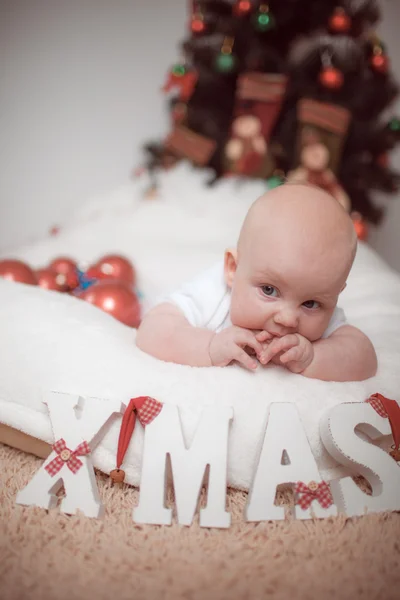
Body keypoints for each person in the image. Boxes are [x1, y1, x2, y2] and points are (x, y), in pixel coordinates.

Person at [136, 184, 377, 382]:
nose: (288, 319)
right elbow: (152, 330)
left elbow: (364, 356)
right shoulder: (216, 291)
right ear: (233, 269)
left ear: (335, 295)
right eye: (269, 290)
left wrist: (313, 358)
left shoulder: (320, 304)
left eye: (310, 304)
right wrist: (209, 346)